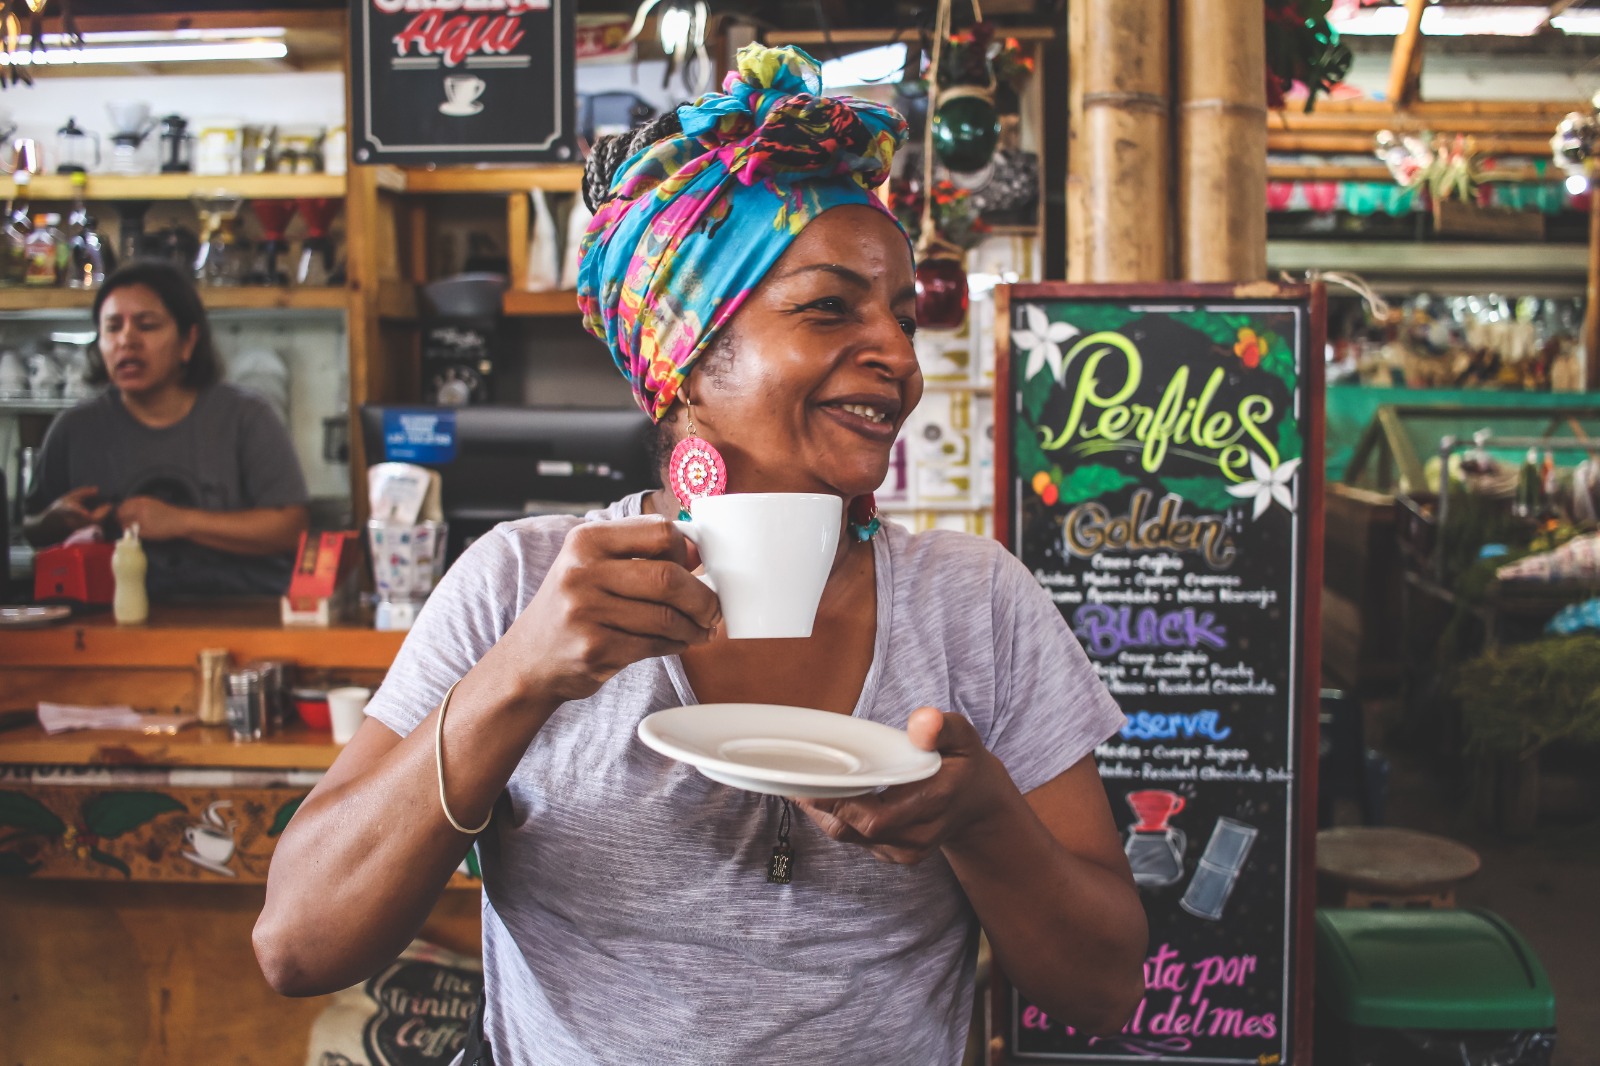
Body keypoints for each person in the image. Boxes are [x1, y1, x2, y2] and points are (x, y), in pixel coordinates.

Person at [255, 45, 1146, 1064]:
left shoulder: (972, 602)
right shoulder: (520, 581)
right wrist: (517, 678)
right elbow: (297, 944)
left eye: (901, 317)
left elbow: (1106, 986)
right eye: (829, 307)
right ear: (685, 356)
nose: (898, 356)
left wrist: (982, 816)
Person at [22, 260, 310, 598]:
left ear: (188, 340)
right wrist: (53, 522)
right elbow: (32, 529)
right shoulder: (74, 429)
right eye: (113, 327)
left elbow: (291, 527)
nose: (127, 340)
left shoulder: (245, 416)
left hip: (242, 616)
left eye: (146, 325)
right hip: (109, 626)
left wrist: (180, 522)